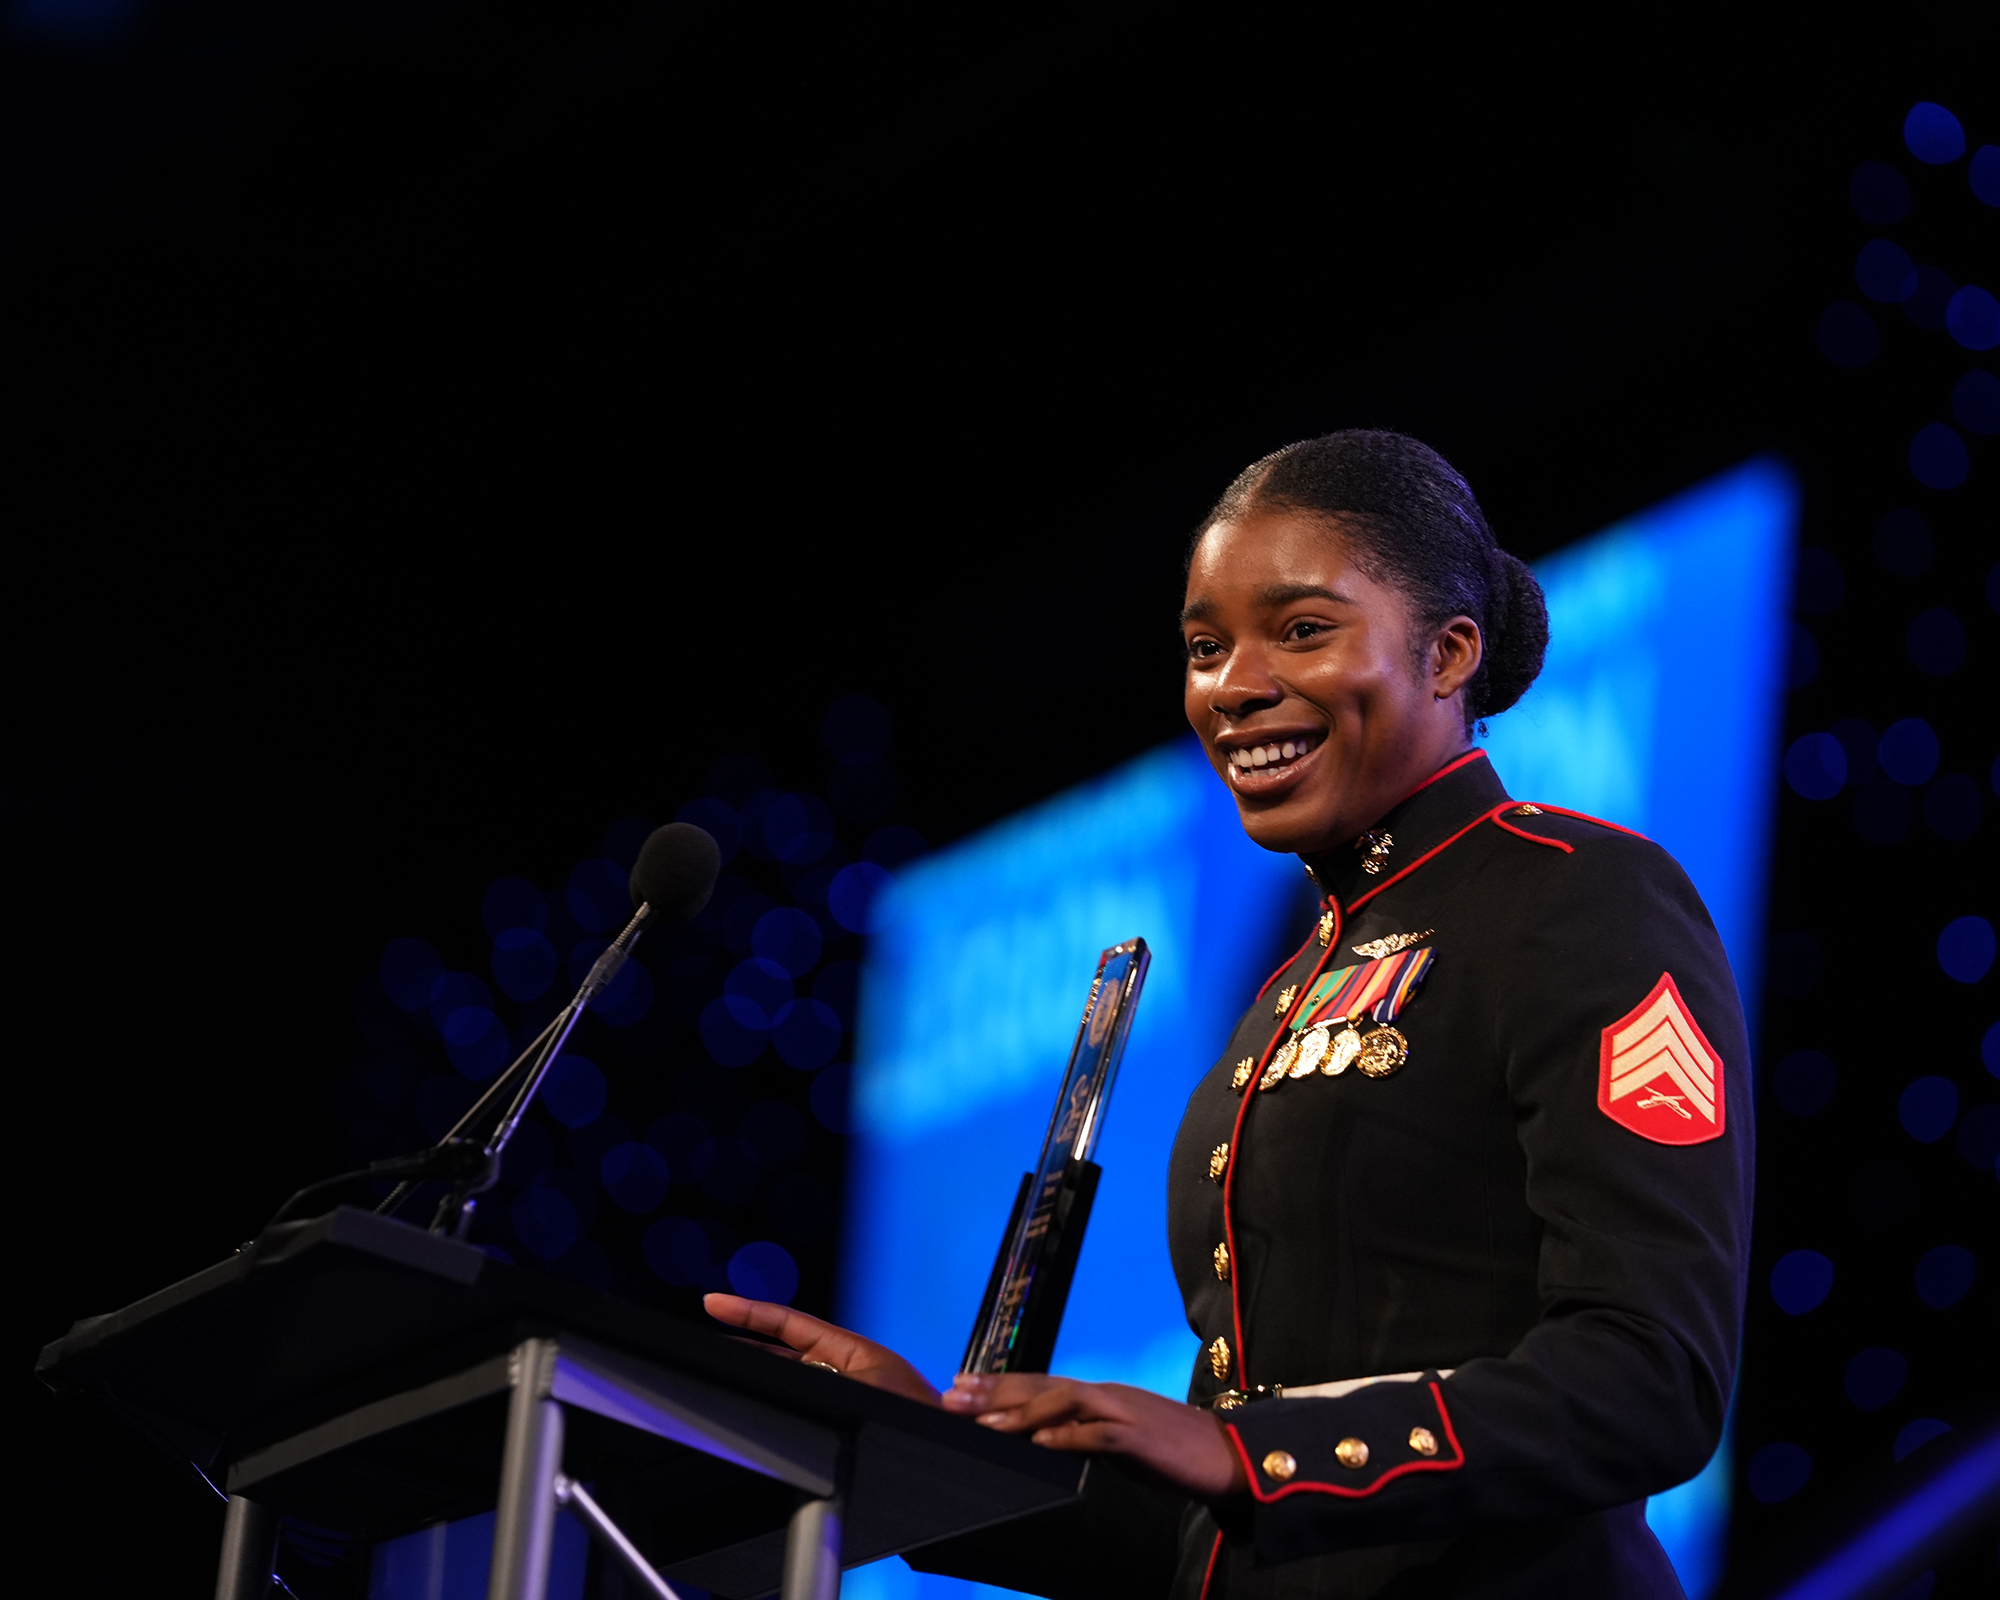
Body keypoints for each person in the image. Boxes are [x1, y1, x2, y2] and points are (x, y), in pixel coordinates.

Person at [708, 430, 1753, 1599]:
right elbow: (1211, 1540)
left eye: (1301, 629)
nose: (1233, 685)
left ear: (1448, 652)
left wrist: (1254, 1456)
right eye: (1205, 647)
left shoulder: (1573, 891)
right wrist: (916, 1443)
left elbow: (1650, 1378)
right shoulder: (1285, 985)